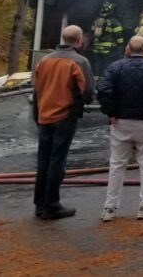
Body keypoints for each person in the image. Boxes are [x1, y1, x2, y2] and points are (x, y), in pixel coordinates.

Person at [97, 36, 143, 221]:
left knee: (116, 165)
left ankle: (109, 209)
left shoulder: (115, 67)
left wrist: (110, 113)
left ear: (127, 48)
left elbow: (103, 90)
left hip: (120, 122)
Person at [32, 25, 94, 220]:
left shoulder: (44, 60)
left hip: (44, 115)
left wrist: (38, 114)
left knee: (44, 159)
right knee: (58, 160)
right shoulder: (79, 61)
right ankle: (52, 205)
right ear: (79, 41)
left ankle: (40, 203)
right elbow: (88, 93)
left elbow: (36, 89)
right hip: (65, 116)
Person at [88, 1, 125, 79]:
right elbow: (119, 36)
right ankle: (104, 83)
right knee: (106, 66)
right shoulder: (114, 22)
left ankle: (96, 82)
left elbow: (92, 33)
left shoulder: (96, 21)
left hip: (96, 48)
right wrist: (121, 46)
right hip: (109, 49)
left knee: (97, 66)